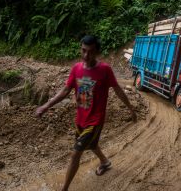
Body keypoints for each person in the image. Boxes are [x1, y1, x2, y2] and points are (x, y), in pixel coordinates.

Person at [35, 35, 137, 191]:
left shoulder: (105, 70)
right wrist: (46, 105)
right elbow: (65, 91)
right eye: (83, 50)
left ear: (97, 51)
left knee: (76, 154)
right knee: (92, 144)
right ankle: (105, 162)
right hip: (81, 119)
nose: (86, 55)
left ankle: (64, 189)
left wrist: (130, 108)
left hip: (95, 121)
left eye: (90, 52)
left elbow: (117, 90)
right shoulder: (76, 69)